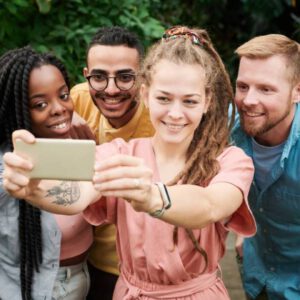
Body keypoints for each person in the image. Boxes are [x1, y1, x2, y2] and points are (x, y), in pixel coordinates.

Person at [3, 26, 256, 299]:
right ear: (145, 94)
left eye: (190, 101)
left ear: (207, 101)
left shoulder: (232, 161)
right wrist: (34, 190)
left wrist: (152, 197)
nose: (175, 113)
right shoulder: (119, 153)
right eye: (163, 98)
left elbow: (211, 205)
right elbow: (79, 195)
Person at [0, 46, 92, 300]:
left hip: (81, 279)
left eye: (63, 96)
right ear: (15, 109)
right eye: (40, 104)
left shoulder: (78, 143)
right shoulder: (9, 165)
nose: (59, 108)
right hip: (32, 287)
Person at [71, 26, 155, 299]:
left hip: (147, 269)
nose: (111, 89)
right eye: (99, 77)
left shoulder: (161, 115)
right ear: (87, 76)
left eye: (124, 77)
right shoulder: (76, 101)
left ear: (143, 79)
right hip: (88, 261)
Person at [231, 34, 300, 300]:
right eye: (243, 86)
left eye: (266, 89)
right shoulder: (229, 127)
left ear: (297, 91)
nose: (248, 100)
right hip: (256, 277)